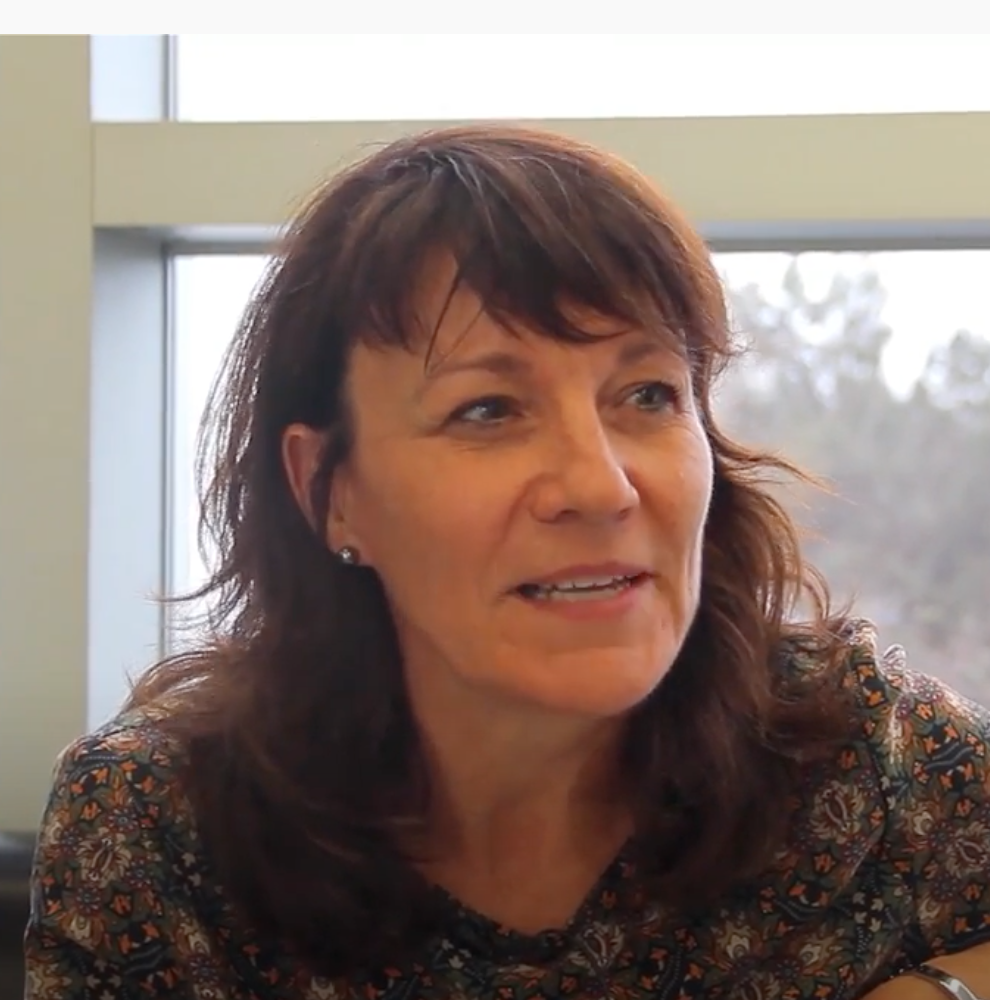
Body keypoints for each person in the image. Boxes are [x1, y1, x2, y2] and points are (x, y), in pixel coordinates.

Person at [24, 125, 990, 1000]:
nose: (601, 485)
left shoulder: (870, 755)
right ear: (329, 489)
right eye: (487, 410)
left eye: (648, 395)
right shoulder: (157, 828)